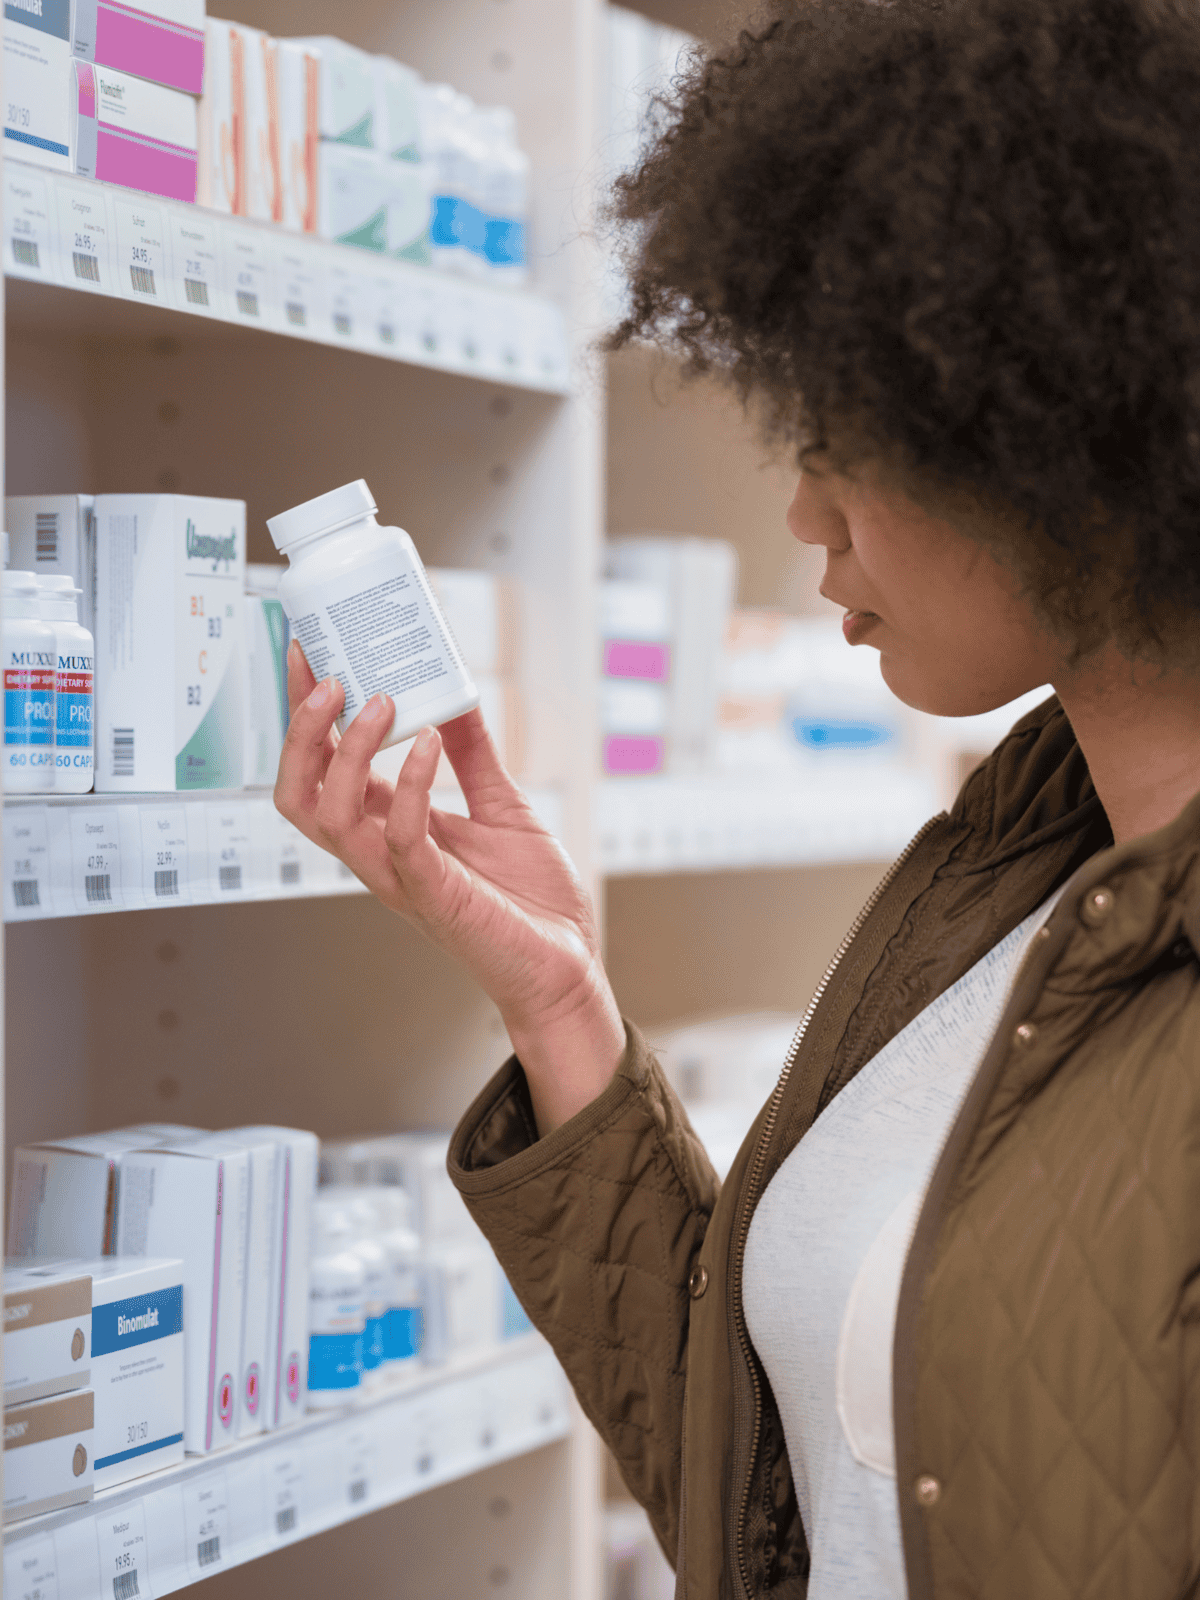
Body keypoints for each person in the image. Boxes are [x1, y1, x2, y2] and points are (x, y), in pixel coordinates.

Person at [274, 0, 1200, 1593]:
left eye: (852, 437)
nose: (806, 510)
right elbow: (780, 1501)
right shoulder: (1003, 891)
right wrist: (563, 1005)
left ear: (1069, 433)